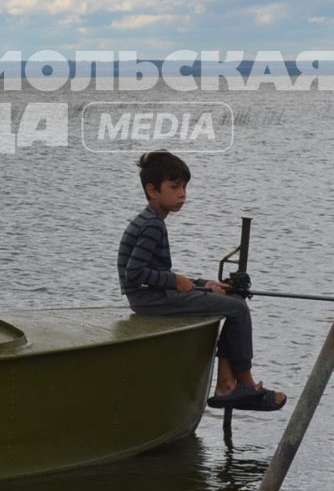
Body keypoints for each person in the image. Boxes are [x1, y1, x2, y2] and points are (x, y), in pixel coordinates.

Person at [118, 149, 284, 411]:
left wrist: (202, 284)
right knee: (238, 308)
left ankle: (228, 383)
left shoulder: (151, 220)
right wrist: (176, 282)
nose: (182, 194)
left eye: (184, 186)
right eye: (174, 187)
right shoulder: (152, 225)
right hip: (148, 300)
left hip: (151, 295)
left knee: (233, 299)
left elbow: (152, 273)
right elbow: (135, 274)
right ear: (152, 190)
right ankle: (243, 383)